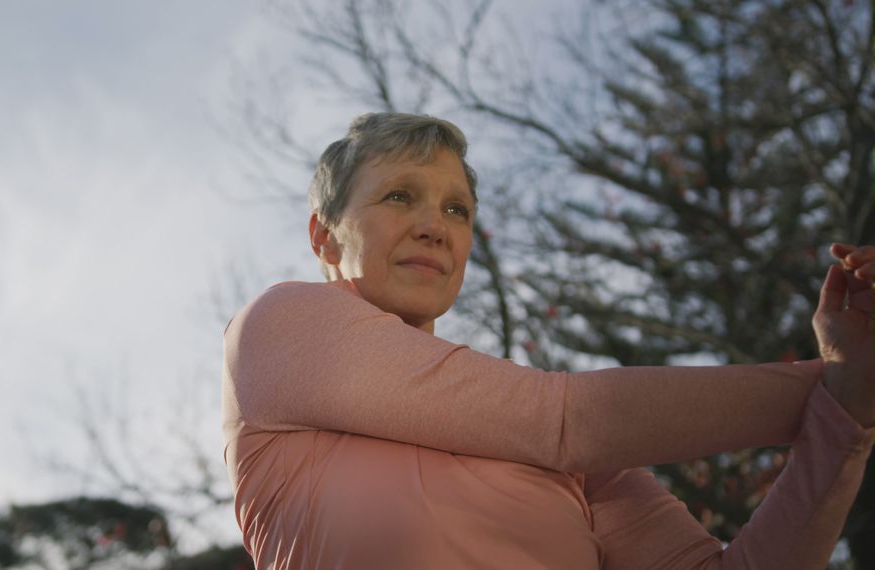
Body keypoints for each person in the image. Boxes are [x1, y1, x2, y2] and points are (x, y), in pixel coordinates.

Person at [222, 113, 875, 569]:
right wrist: (835, 386)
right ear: (323, 236)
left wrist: (850, 416)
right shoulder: (280, 328)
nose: (434, 226)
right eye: (400, 195)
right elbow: (564, 418)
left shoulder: (570, 455)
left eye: (458, 210)